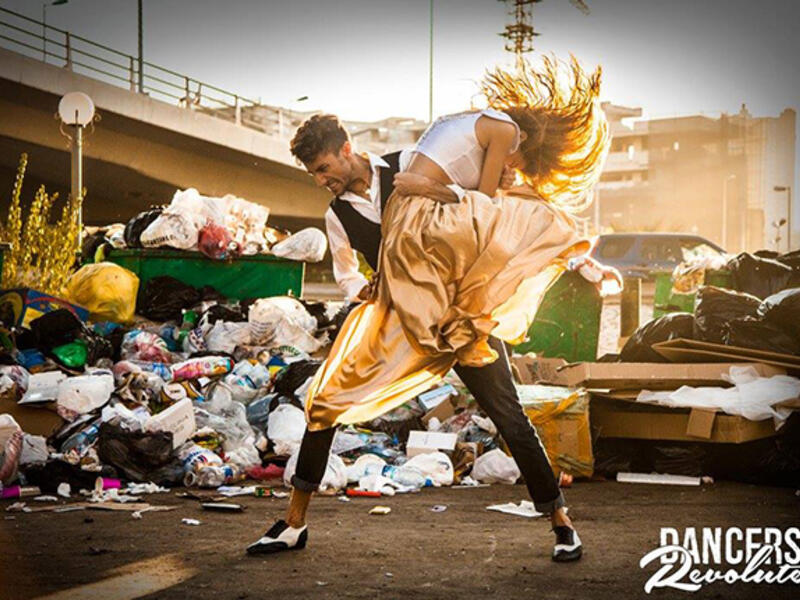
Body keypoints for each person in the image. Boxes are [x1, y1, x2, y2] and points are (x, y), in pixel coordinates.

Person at [247, 56, 615, 562]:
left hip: (458, 314)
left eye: (325, 169)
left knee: (509, 416)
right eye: (315, 174)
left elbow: (488, 208)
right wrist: (366, 288)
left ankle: (561, 523)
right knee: (325, 402)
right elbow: (347, 272)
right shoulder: (336, 215)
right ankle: (292, 524)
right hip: (399, 321)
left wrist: (438, 196)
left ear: (347, 150)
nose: (322, 181)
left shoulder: (411, 162)